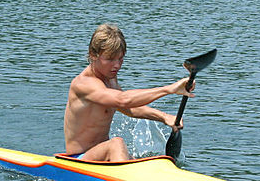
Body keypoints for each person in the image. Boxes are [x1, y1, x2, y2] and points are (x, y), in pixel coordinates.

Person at [64, 24, 194, 161]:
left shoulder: (109, 78)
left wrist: (164, 117)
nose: (117, 65)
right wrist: (169, 89)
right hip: (78, 159)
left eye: (120, 59)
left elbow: (128, 108)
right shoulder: (84, 84)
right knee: (117, 143)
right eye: (110, 59)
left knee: (147, 163)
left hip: (102, 156)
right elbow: (122, 100)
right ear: (93, 55)